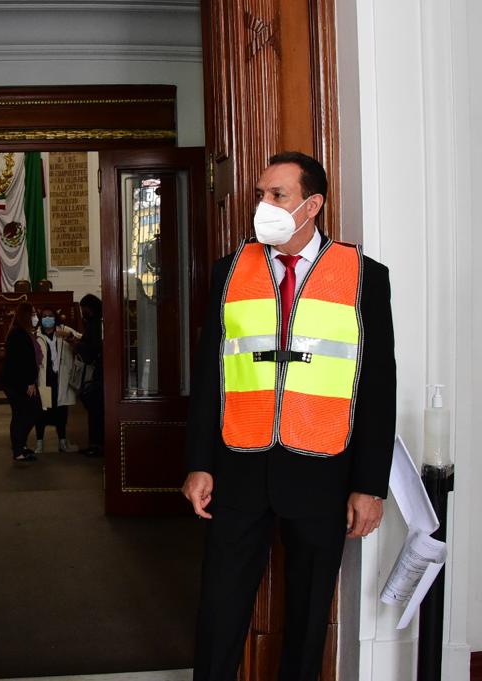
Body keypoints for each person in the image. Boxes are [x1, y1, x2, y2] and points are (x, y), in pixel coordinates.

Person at [182, 151, 396, 681]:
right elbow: (211, 375)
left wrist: (370, 484)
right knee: (220, 609)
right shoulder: (230, 270)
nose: (263, 205)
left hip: (323, 470)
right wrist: (199, 463)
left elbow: (378, 385)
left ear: (312, 205)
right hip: (239, 467)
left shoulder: (363, 275)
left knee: (307, 618)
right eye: (260, 194)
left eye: (277, 195)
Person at [34, 307, 82, 454]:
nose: (47, 319)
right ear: (41, 319)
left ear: (55, 317)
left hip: (61, 379)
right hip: (44, 380)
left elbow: (82, 340)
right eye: (44, 316)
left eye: (50, 316)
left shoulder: (64, 330)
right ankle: (39, 443)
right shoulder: (36, 336)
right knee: (42, 412)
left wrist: (69, 336)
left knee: (61, 411)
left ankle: (62, 442)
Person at [1, 301, 40, 462]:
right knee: (25, 414)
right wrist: (29, 382)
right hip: (18, 383)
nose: (35, 317)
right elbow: (21, 362)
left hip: (17, 382)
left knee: (24, 414)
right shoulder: (18, 334)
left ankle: (21, 446)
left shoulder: (21, 332)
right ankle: (18, 449)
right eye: (33, 314)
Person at [75, 294, 104, 457]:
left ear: (89, 308)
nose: (82, 312)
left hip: (99, 374)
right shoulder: (99, 321)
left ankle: (96, 444)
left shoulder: (94, 324)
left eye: (83, 308)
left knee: (96, 410)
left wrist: (77, 345)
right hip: (99, 373)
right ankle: (96, 443)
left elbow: (92, 350)